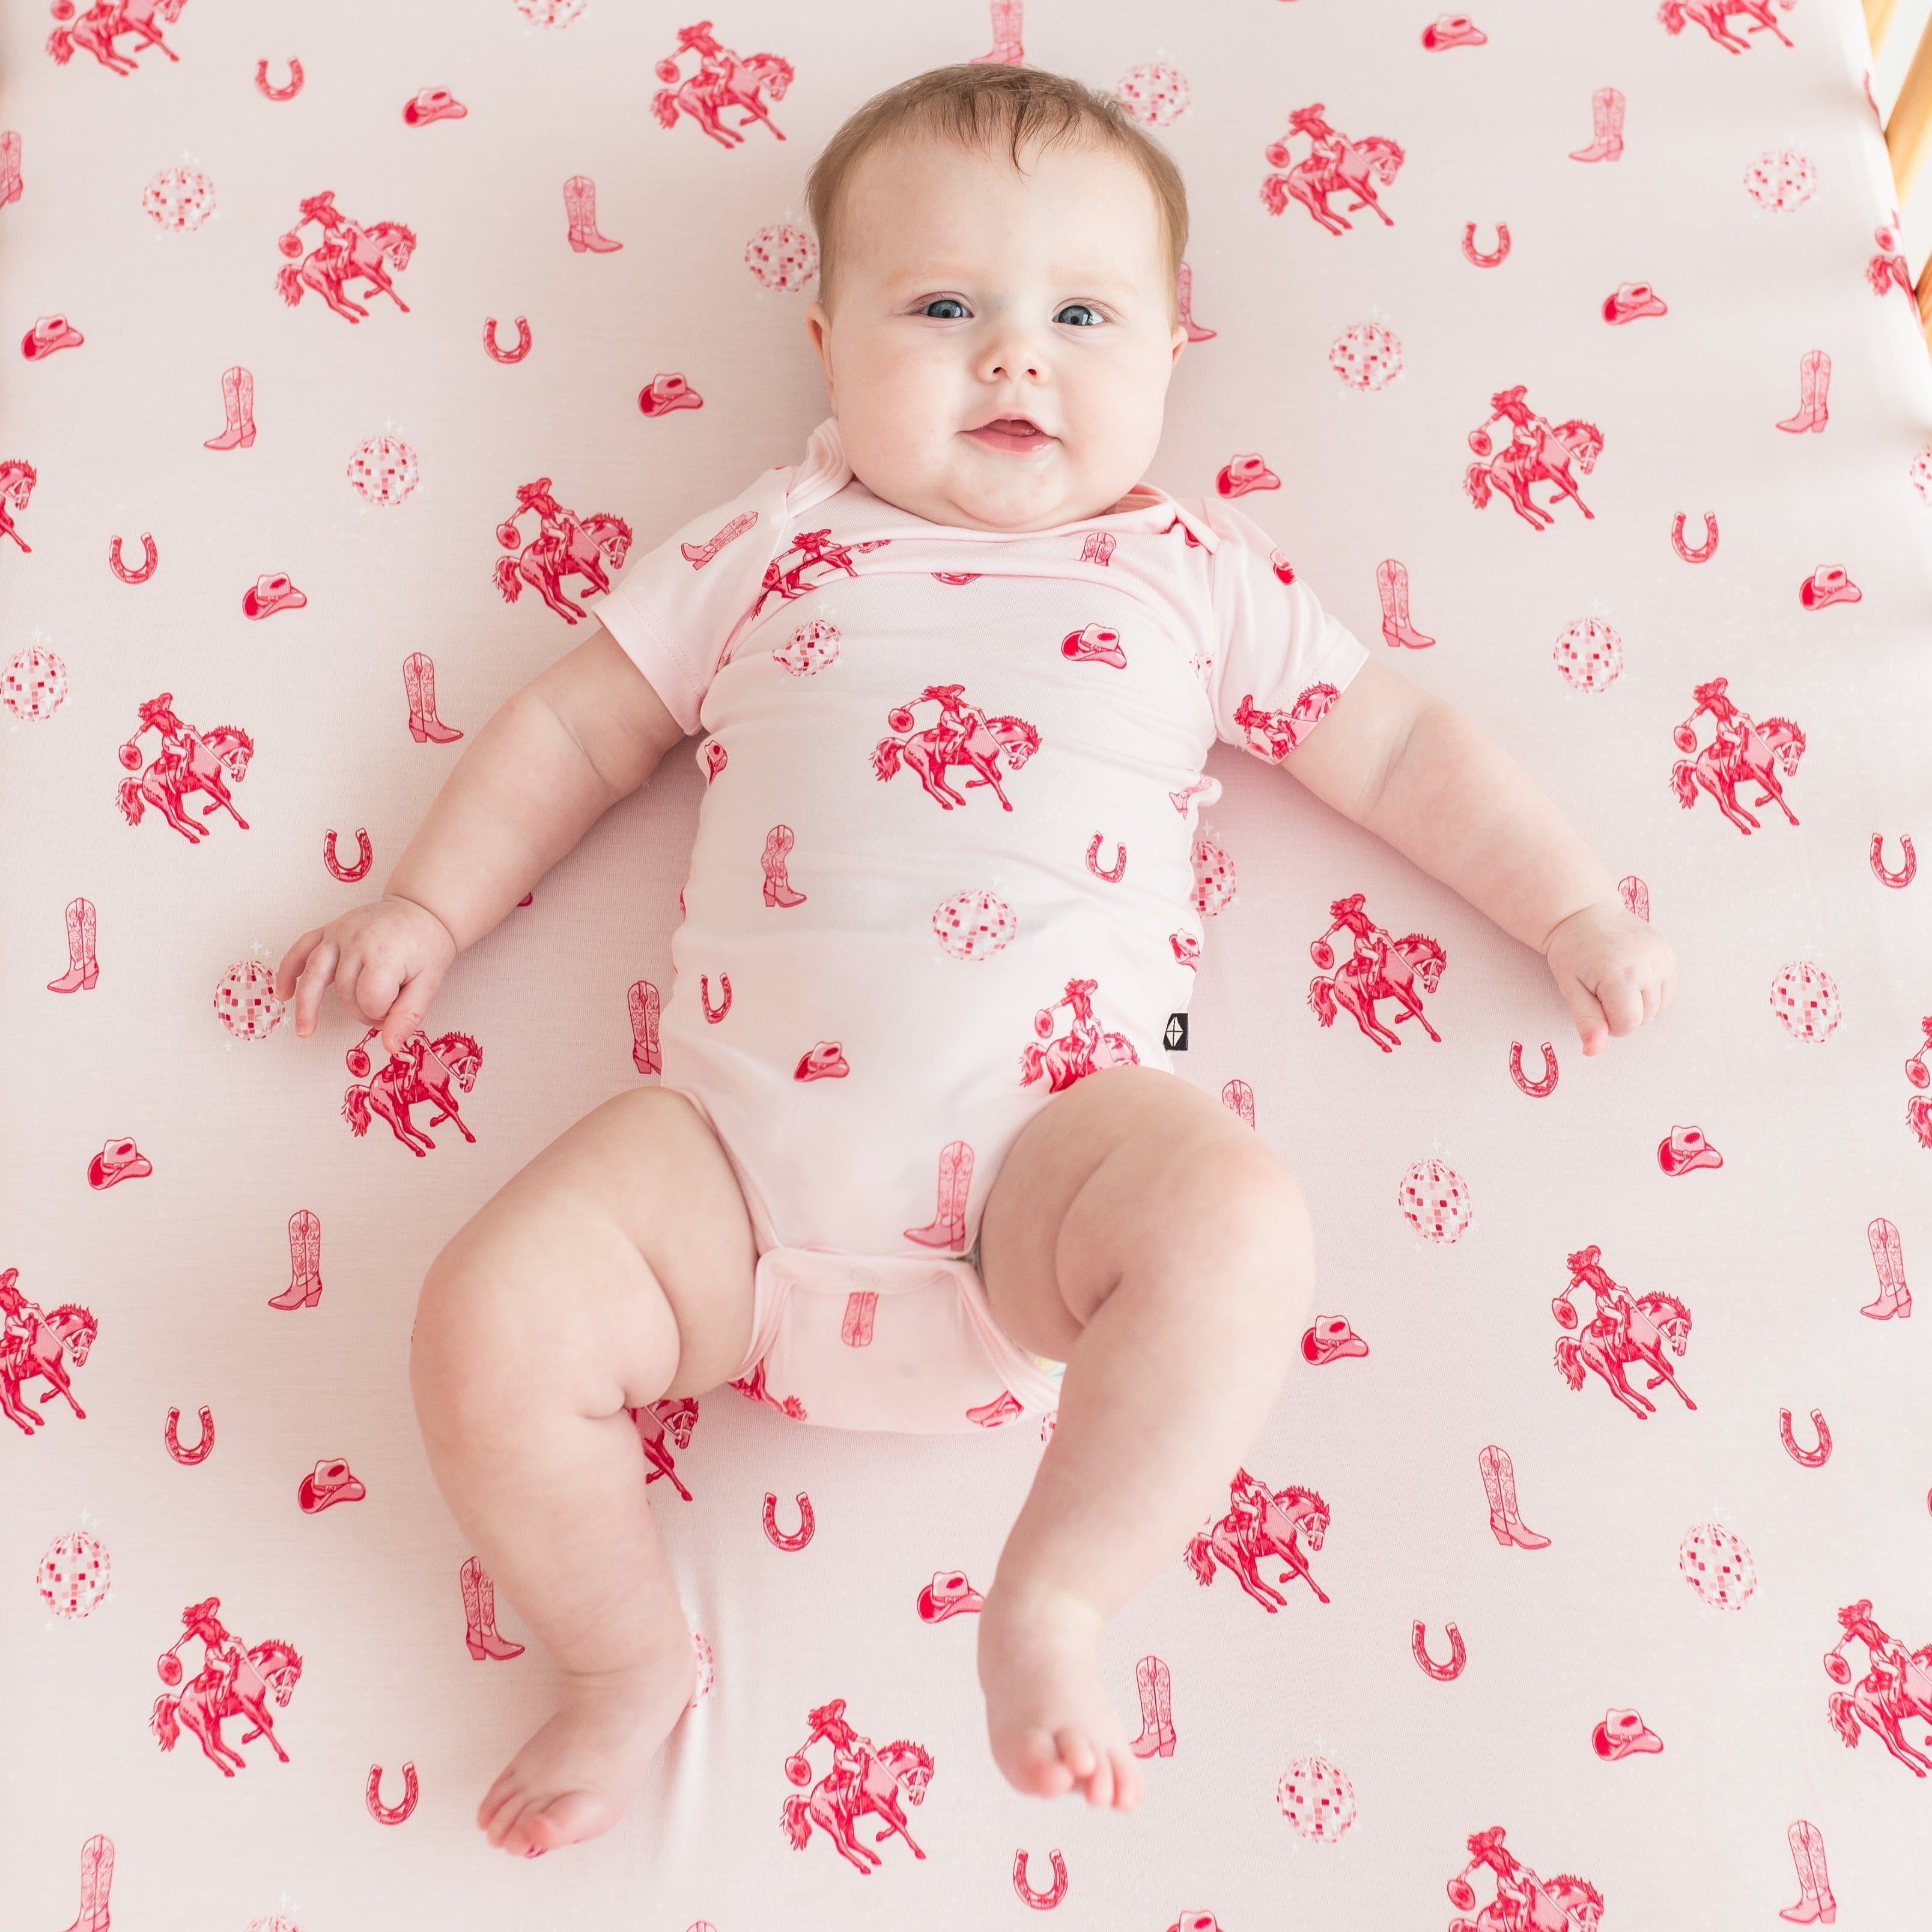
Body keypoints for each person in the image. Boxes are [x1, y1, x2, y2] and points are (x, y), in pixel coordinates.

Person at [274, 62, 1677, 1860]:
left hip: (1052, 1176)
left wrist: (1570, 905)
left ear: (1173, 350)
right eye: (942, 308)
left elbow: (1397, 749)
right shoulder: (765, 545)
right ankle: (621, 1657)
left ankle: (1057, 1597)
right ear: (826, 342)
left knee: (1237, 1224)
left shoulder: (1193, 574)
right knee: (488, 1317)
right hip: (729, 1181)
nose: (1015, 355)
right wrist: (427, 906)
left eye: (1083, 316)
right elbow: (569, 731)